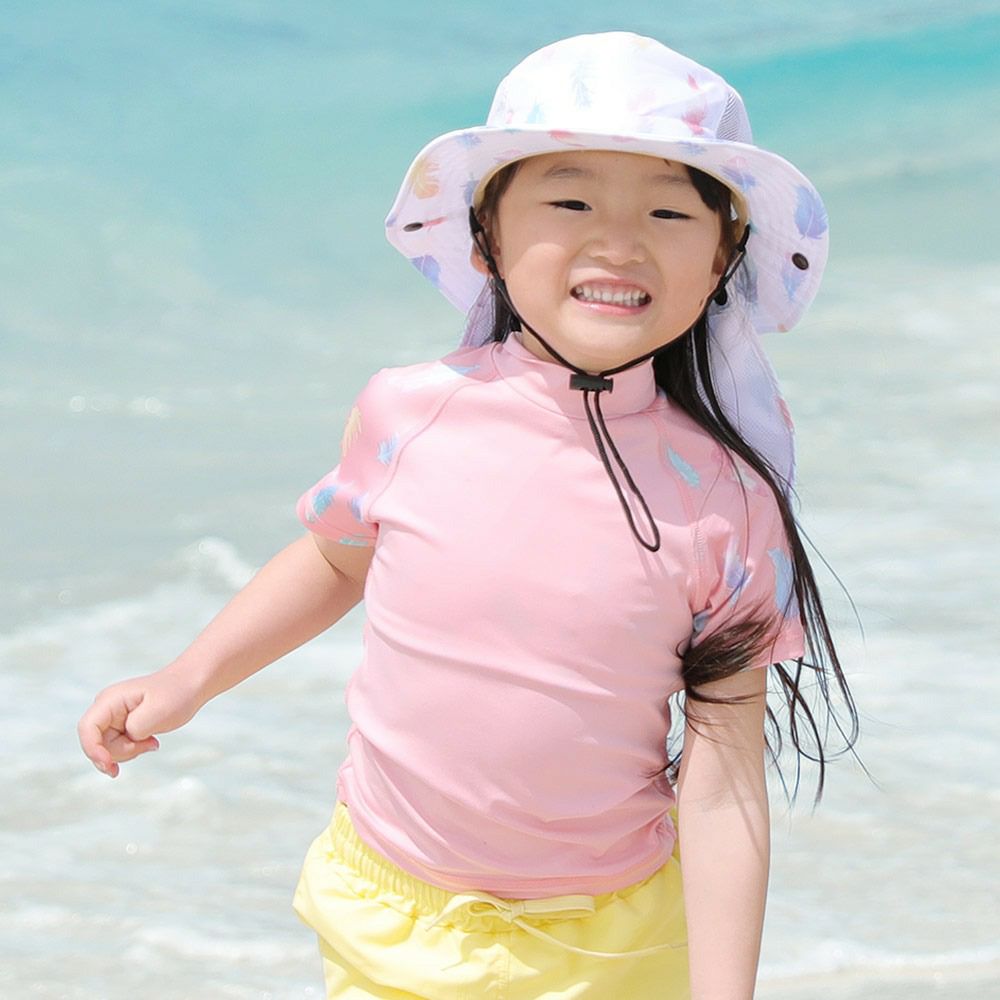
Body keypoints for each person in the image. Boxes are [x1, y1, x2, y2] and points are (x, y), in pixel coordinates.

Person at [78, 31, 858, 1000]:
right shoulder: (410, 412)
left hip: (611, 940)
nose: (619, 242)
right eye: (570, 201)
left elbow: (724, 779)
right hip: (390, 911)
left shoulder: (727, 500)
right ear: (486, 232)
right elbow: (333, 564)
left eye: (667, 210)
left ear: (722, 257)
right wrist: (186, 678)